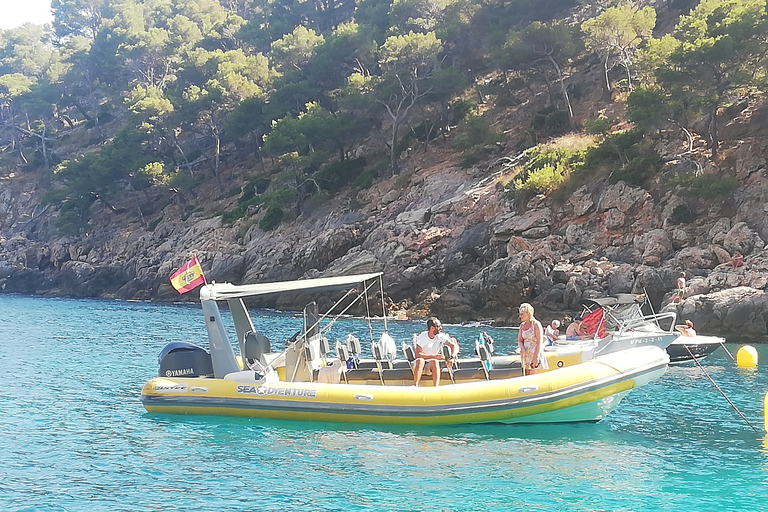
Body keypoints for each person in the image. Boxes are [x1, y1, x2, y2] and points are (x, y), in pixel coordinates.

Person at [413, 317, 460, 387]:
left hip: (431, 364)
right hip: (420, 364)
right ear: (432, 328)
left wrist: (452, 357)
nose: (441, 328)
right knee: (421, 360)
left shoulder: (440, 336)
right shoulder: (422, 337)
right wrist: (434, 356)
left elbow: (454, 346)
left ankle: (436, 387)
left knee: (434, 361)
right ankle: (415, 386)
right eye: (438, 326)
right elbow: (418, 354)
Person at [517, 303, 548, 375]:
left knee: (533, 374)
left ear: (528, 314)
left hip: (534, 353)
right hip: (526, 354)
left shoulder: (536, 324)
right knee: (526, 374)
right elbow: (520, 340)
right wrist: (522, 348)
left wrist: (536, 356)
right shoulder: (522, 326)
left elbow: (539, 341)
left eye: (522, 314)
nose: (520, 316)